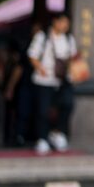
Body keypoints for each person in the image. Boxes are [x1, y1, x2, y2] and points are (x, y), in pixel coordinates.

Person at [27, 12, 77, 155]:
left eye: (67, 23)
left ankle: (57, 133)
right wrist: (40, 68)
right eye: (62, 22)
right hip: (44, 79)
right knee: (43, 110)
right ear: (55, 22)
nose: (65, 25)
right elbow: (32, 55)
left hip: (63, 79)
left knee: (67, 105)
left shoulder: (69, 39)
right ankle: (42, 138)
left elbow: (73, 57)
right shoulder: (42, 37)